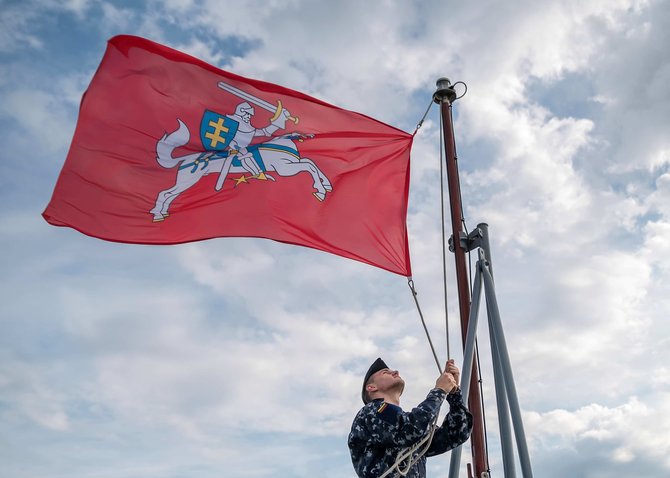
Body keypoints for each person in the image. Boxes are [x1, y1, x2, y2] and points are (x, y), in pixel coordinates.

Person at [348, 358, 473, 478]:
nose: (395, 372)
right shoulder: (372, 411)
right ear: (371, 387)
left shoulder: (407, 424)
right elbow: (410, 429)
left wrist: (454, 393)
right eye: (386, 372)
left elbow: (456, 433)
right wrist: (439, 390)